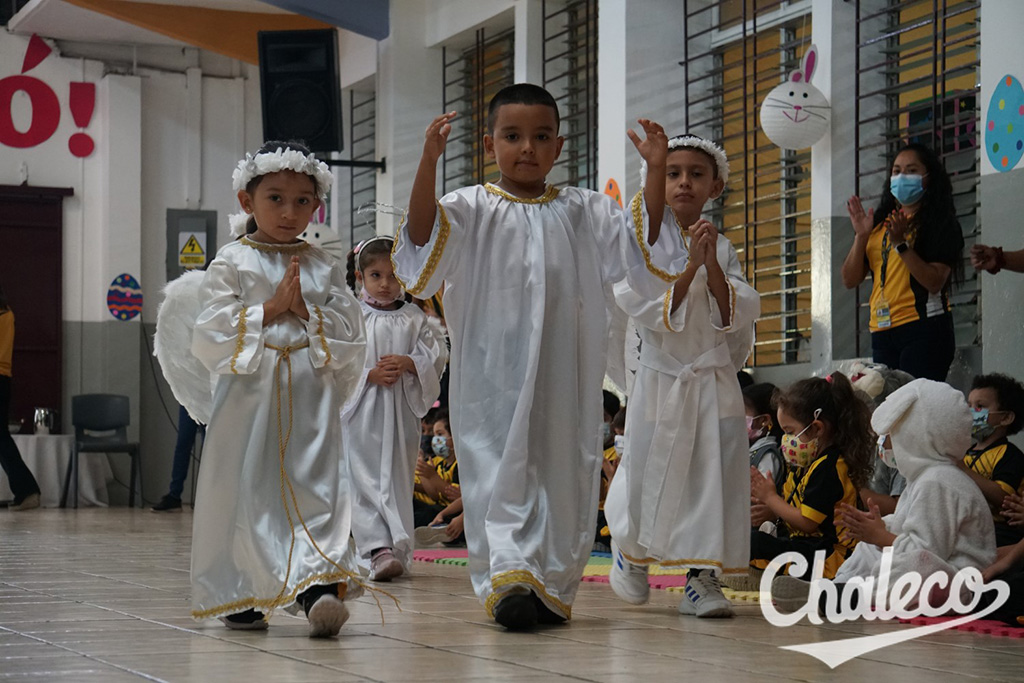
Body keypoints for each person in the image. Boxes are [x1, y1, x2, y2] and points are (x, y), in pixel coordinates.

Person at [392, 84, 688, 630]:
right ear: (488, 144)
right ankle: (507, 575)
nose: (527, 148)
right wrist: (428, 164)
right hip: (491, 374)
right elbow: (419, 248)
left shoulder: (586, 210)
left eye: (540, 137)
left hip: (564, 372)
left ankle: (549, 584)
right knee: (497, 469)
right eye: (512, 136)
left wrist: (653, 173)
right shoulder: (468, 208)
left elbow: (643, 251)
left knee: (561, 468)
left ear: (559, 146)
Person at [188, 141, 368, 637]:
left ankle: (318, 587)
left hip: (310, 394)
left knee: (318, 484)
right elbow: (209, 331)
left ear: (317, 205)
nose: (290, 212)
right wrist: (269, 309)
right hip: (250, 397)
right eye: (275, 199)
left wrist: (307, 312)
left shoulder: (323, 264)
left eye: (302, 201)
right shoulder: (232, 261)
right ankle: (243, 590)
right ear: (248, 202)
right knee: (250, 489)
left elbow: (351, 330)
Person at [606, 135, 760, 618]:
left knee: (711, 474)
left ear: (714, 186)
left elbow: (733, 311)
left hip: (710, 379)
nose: (684, 183)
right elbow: (644, 307)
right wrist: (689, 265)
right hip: (659, 377)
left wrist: (709, 262)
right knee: (646, 469)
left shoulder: (725, 246)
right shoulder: (642, 243)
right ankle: (631, 556)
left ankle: (702, 579)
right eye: (673, 173)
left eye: (696, 174)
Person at [772, 379, 996, 613]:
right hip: (930, 569)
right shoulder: (922, 480)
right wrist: (877, 529)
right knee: (868, 549)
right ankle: (838, 587)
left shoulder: (940, 481)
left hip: (963, 586)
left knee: (917, 566)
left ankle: (853, 597)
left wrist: (880, 535)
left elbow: (927, 553)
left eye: (892, 434)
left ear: (915, 434)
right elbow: (906, 530)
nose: (885, 442)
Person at [341, 236, 447, 582]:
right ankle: (376, 549)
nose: (385, 284)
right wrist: (368, 373)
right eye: (376, 275)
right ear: (360, 277)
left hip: (400, 412)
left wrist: (410, 363)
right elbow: (335, 362)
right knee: (365, 476)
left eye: (393, 275)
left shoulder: (414, 318)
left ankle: (397, 547)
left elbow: (436, 357)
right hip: (362, 411)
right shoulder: (351, 316)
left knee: (397, 474)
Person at [841, 143, 965, 381]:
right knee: (890, 408)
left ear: (928, 178)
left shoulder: (940, 223)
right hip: (882, 329)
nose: (901, 177)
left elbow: (934, 281)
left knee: (915, 407)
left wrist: (901, 244)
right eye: (896, 171)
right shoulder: (878, 224)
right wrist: (861, 236)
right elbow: (849, 279)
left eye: (910, 170)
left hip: (923, 327)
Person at [748, 373, 874, 583]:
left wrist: (771, 498)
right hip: (808, 546)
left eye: (790, 432)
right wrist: (773, 511)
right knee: (751, 538)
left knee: (754, 544)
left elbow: (807, 523)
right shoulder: (808, 462)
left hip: (830, 557)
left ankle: (781, 579)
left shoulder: (830, 467)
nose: (785, 440)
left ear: (816, 428)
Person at [960, 373, 1024, 548]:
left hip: (1000, 532)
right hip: (969, 526)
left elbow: (1004, 499)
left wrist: (963, 469)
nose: (971, 412)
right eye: (969, 405)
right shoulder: (965, 452)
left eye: (980, 406)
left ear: (1006, 417)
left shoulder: (1009, 455)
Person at [0, 284, 41, 511]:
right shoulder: (7, 312)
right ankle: (26, 491)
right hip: (3, 378)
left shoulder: (3, 314)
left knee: (2, 439)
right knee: (2, 439)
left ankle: (28, 490)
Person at [150, 404, 204, 512]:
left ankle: (212, 496)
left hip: (208, 398)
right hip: (188, 399)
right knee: (182, 446)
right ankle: (174, 495)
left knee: (210, 447)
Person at [744, 383, 786, 494]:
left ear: (764, 420)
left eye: (743, 412)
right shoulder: (749, 447)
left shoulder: (767, 455)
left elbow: (759, 496)